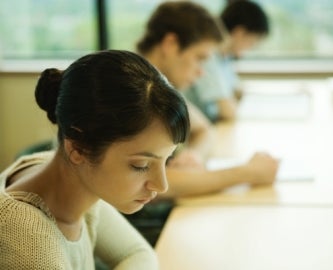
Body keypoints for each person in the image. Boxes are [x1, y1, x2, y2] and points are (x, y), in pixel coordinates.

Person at [0, 50, 190, 269]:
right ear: (78, 148)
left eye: (166, 160)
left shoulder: (74, 179)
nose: (162, 185)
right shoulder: (26, 238)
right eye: (141, 166)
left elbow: (137, 253)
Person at [125, 1, 278, 247]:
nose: (201, 73)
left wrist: (193, 155)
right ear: (171, 44)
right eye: (199, 58)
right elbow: (150, 185)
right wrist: (247, 173)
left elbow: (203, 129)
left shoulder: (157, 83)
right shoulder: (135, 91)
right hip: (133, 227)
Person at [185, 0, 270, 122]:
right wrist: (232, 101)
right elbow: (228, 112)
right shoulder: (208, 57)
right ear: (239, 33)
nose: (249, 48)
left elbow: (238, 92)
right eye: (252, 42)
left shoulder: (224, 58)